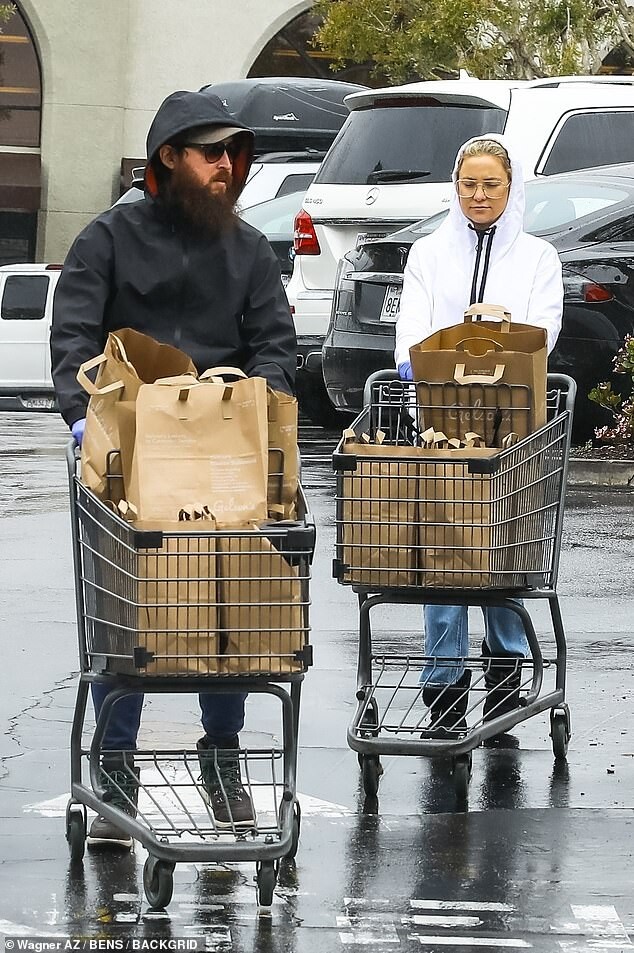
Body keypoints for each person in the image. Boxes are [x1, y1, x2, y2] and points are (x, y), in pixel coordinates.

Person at [51, 89, 296, 846]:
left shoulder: (249, 249)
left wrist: (260, 410)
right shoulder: (108, 238)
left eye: (235, 154)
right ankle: (115, 765)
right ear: (169, 156)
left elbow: (276, 345)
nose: (228, 166)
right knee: (128, 607)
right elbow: (74, 337)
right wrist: (87, 419)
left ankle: (222, 755)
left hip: (225, 454)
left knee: (227, 604)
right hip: (132, 454)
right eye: (211, 152)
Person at [394, 134, 563, 734]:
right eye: (469, 184)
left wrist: (492, 355)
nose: (479, 195)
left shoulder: (538, 258)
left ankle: (506, 671)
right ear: (455, 187)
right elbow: (411, 326)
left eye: (491, 184)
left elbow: (542, 330)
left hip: (512, 424)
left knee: (503, 545)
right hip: (440, 422)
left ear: (512, 189)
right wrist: (417, 364)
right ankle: (443, 681)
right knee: (443, 548)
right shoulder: (429, 254)